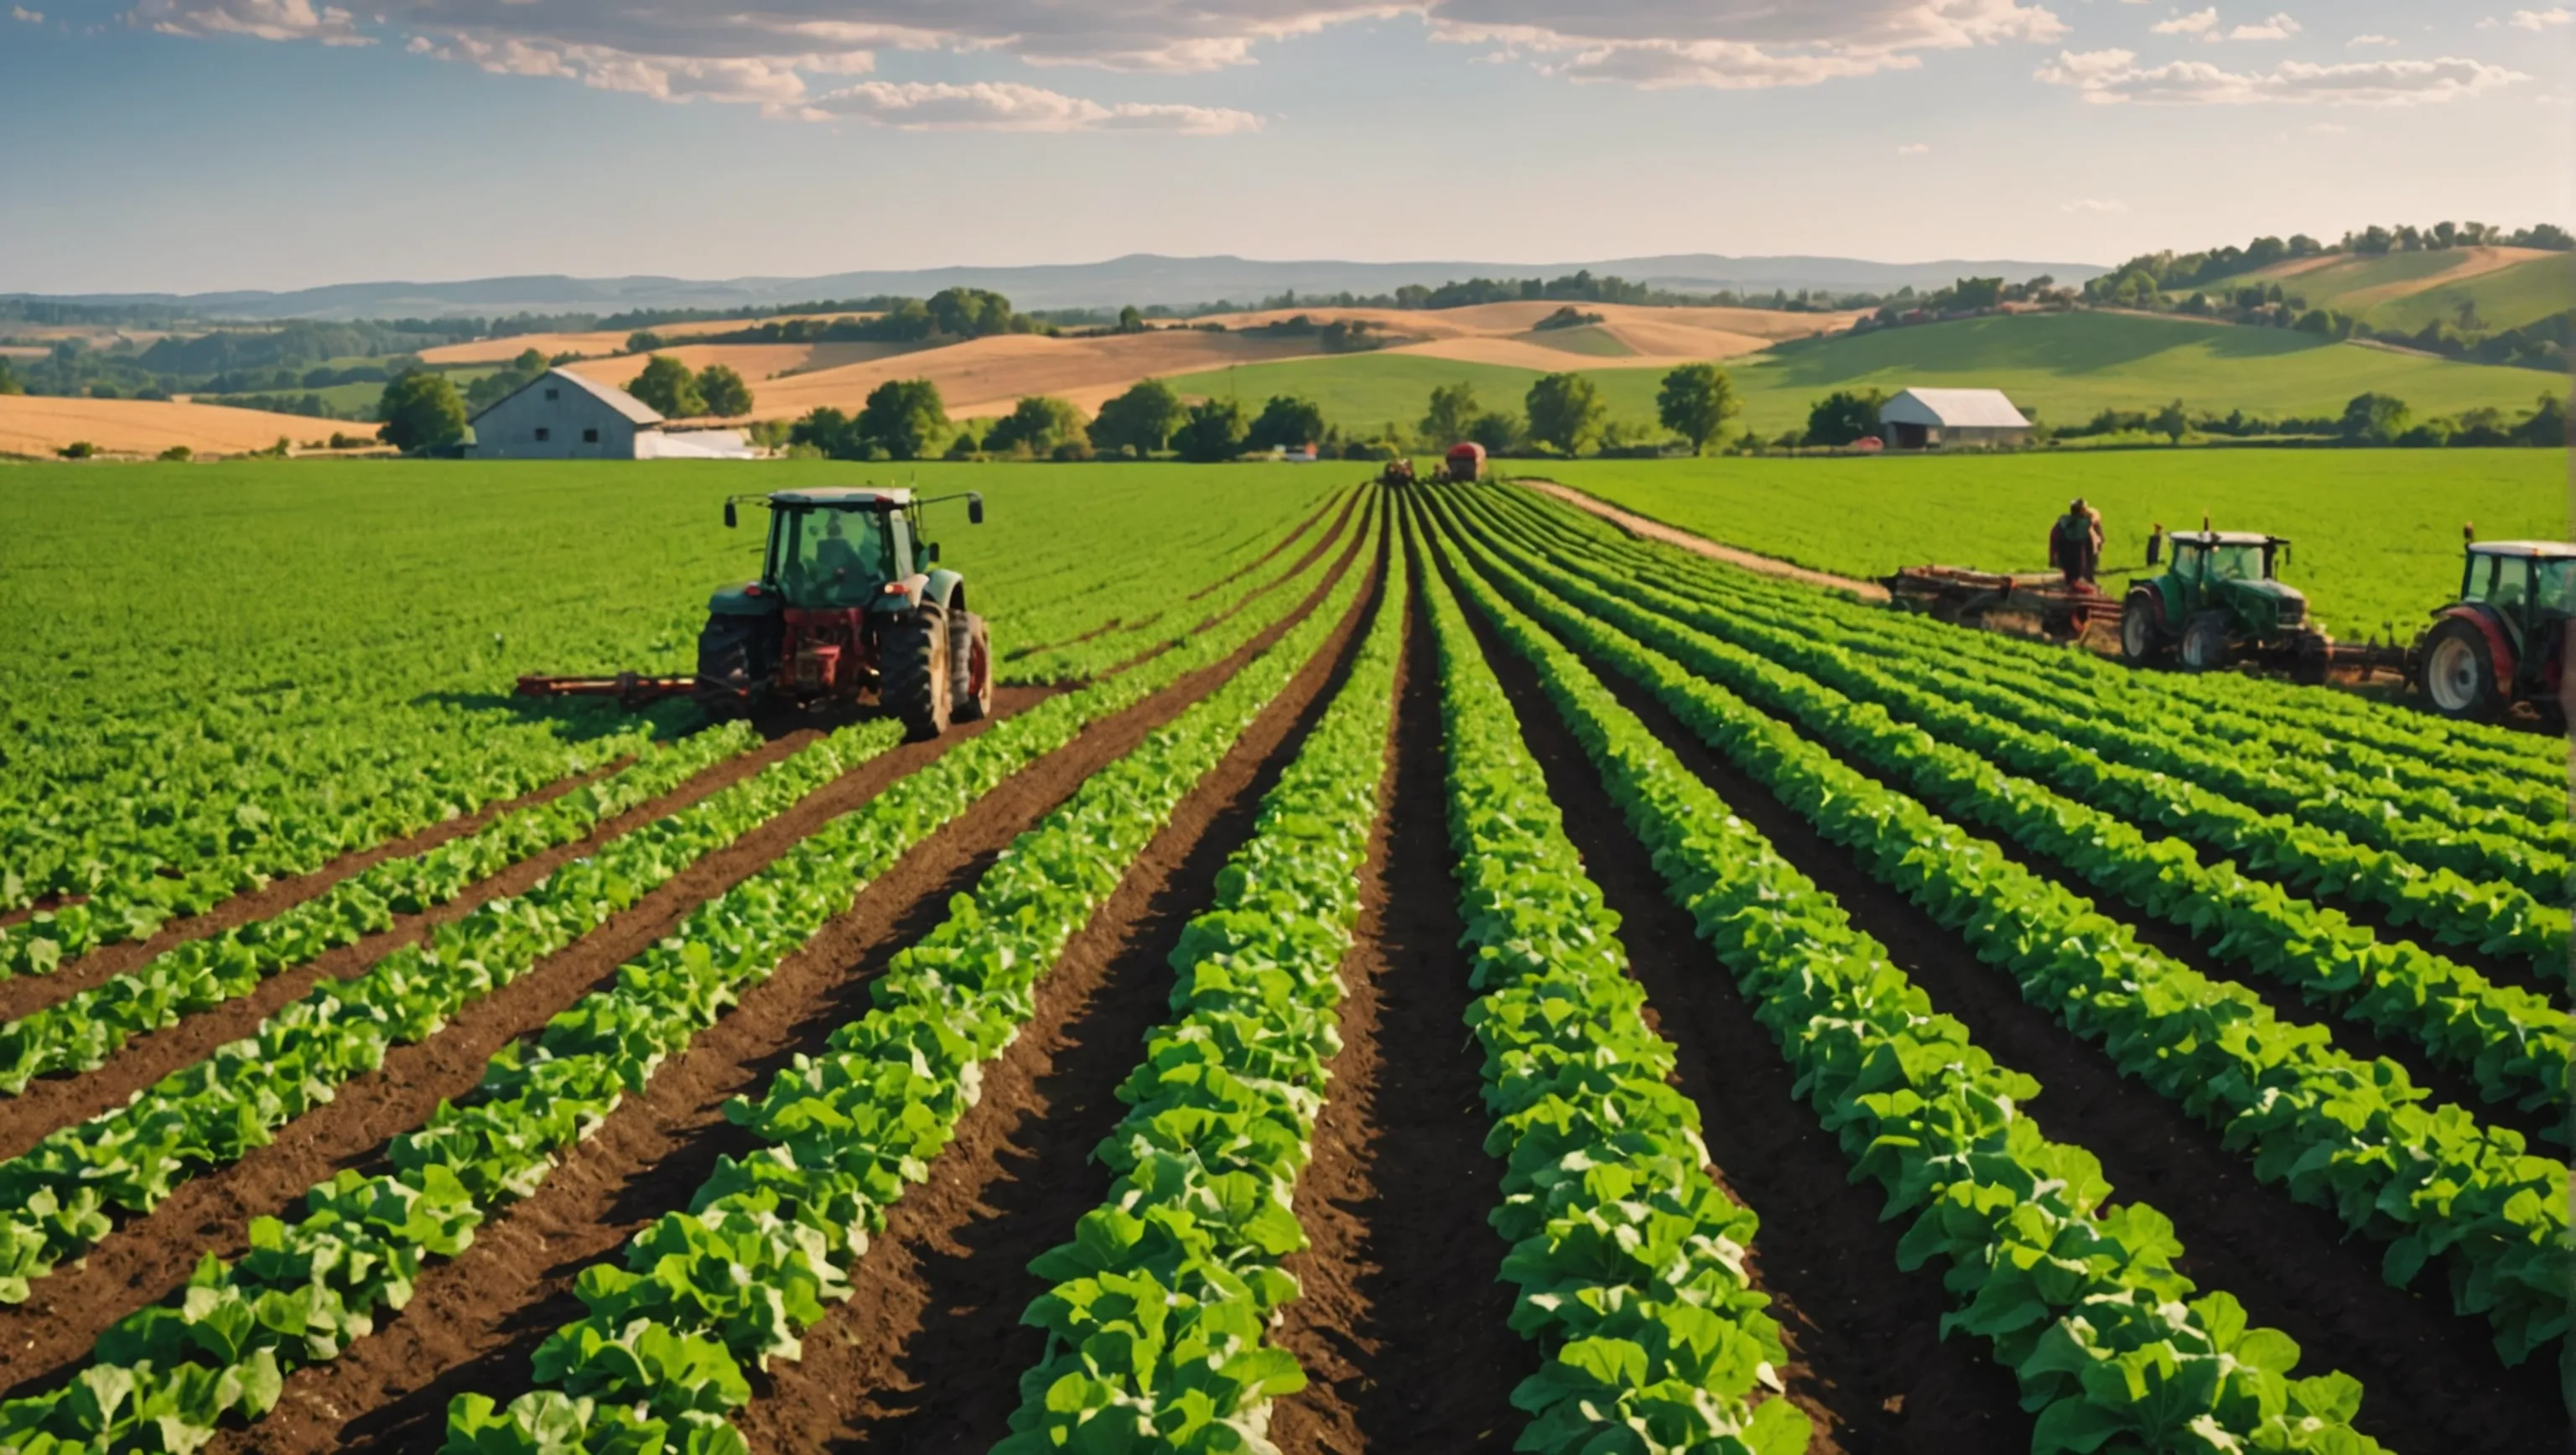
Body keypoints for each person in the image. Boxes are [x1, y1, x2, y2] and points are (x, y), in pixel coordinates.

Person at [2050, 496, 2105, 583]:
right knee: (2081, 569)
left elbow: (2055, 535)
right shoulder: (2087, 522)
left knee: (2071, 572)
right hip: (2080, 549)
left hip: (2065, 549)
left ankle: (2072, 581)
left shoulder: (2064, 520)